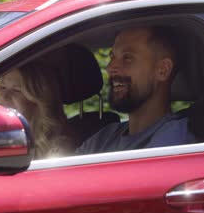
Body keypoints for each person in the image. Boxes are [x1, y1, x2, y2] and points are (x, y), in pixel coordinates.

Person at [77, 26, 195, 155]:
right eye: (112, 57)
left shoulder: (173, 142)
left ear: (162, 70)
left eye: (127, 58)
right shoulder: (104, 138)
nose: (110, 68)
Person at [0, 62, 82, 159]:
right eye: (2, 88)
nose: (4, 96)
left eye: (17, 90)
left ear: (38, 99)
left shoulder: (58, 147)